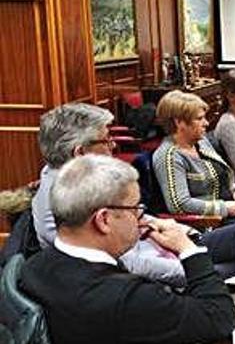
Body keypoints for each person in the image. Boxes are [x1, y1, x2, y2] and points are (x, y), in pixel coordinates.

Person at [20, 154, 235, 344]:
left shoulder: (35, 266)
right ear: (104, 220)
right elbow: (220, 318)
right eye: (135, 210)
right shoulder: (123, 298)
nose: (140, 219)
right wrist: (188, 250)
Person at [32, 103, 185, 287]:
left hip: (160, 244)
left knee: (229, 242)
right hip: (147, 278)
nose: (113, 145)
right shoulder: (65, 202)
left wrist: (184, 234)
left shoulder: (70, 176)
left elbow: (136, 215)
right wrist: (192, 265)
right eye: (106, 140)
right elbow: (129, 264)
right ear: (80, 152)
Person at [153, 90, 235, 224]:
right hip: (212, 223)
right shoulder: (169, 156)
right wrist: (223, 208)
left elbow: (223, 176)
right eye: (199, 119)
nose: (206, 123)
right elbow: (179, 204)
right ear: (179, 123)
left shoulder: (201, 141)